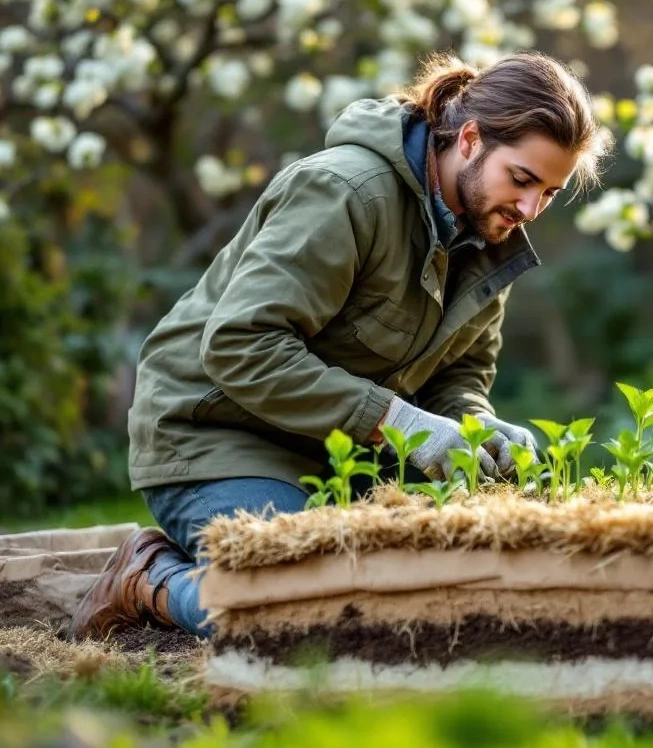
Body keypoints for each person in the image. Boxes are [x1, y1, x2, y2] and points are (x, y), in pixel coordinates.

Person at [67, 50, 612, 641]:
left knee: (447, 591)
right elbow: (240, 347)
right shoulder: (345, 191)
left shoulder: (488, 235)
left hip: (342, 452)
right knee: (306, 615)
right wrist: (398, 422)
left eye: (550, 194)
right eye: (523, 180)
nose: (530, 209)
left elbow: (459, 378)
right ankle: (148, 578)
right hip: (218, 436)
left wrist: (478, 429)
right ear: (473, 139)